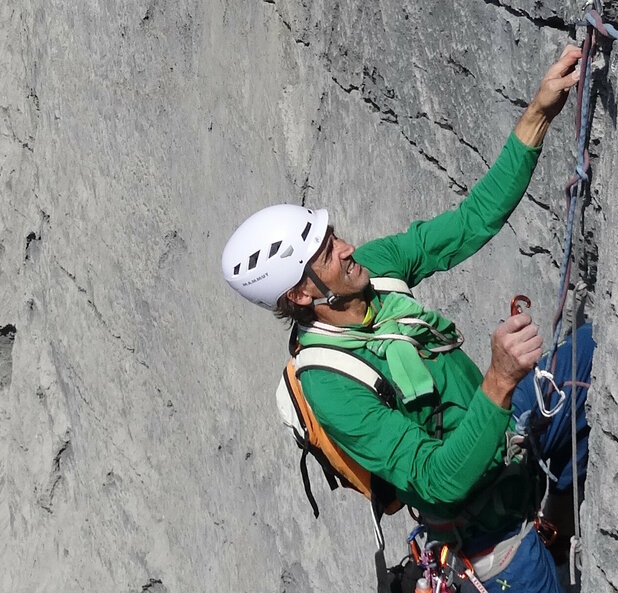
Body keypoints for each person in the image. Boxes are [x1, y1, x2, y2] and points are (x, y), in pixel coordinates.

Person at [220, 46, 595, 592]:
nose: (348, 248)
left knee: (586, 359)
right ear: (302, 293)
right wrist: (496, 381)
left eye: (333, 237)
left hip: (511, 442)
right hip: (492, 541)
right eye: (327, 253)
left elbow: (471, 222)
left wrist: (537, 113)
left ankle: (559, 508)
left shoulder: (375, 272)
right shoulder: (329, 383)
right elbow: (437, 482)